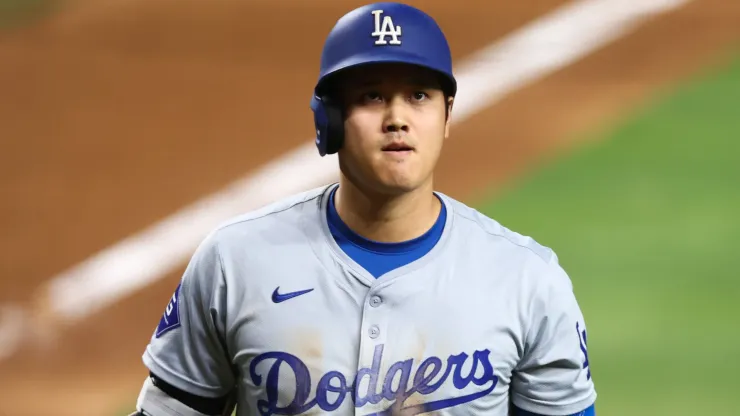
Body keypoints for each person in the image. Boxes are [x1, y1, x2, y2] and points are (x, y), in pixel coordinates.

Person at [130, 2, 597, 415]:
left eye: (419, 96)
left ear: (447, 115)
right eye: (372, 96)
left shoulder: (528, 282)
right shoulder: (235, 262)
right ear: (329, 121)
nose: (397, 118)